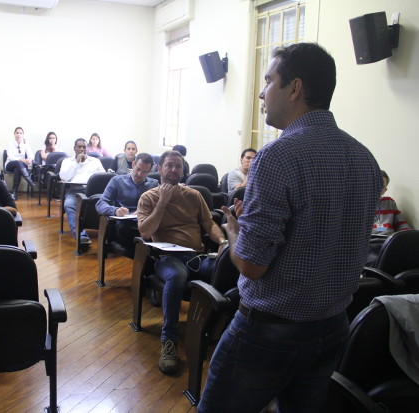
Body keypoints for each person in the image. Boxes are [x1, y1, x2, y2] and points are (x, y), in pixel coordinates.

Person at [197, 43, 381, 412]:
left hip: (269, 332)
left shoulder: (277, 155)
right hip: (332, 326)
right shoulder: (365, 158)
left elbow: (251, 265)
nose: (263, 93)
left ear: (295, 88)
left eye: (269, 81)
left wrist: (235, 231)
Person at [137, 150, 227, 376]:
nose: (173, 170)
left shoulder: (193, 196)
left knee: (226, 268)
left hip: (197, 257)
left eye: (178, 166)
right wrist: (163, 203)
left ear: (183, 170)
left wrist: (223, 241)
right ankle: (169, 342)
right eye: (169, 165)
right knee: (177, 276)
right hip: (167, 259)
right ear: (160, 169)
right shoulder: (148, 197)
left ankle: (216, 330)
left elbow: (209, 224)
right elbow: (146, 232)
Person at [95, 153, 158, 257]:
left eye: (144, 172)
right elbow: (100, 204)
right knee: (125, 229)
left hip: (145, 222)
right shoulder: (117, 181)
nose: (139, 174)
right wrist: (115, 210)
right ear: (133, 164)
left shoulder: (154, 184)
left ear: (150, 171)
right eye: (138, 169)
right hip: (125, 223)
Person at [59, 138, 105, 245]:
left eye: (84, 147)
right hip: (75, 191)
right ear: (74, 148)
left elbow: (102, 176)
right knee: (68, 204)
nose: (82, 149)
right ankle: (81, 236)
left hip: (92, 191)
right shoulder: (67, 161)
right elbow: (64, 177)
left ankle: (108, 234)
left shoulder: (95, 161)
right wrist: (76, 163)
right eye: (79, 147)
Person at [372, 170, 411, 235]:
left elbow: (401, 224)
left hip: (388, 241)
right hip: (369, 241)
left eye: (382, 186)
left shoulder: (389, 202)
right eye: (376, 184)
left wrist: (408, 235)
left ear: (385, 190)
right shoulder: (359, 203)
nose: (378, 188)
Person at [5, 126, 36, 199]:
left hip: (20, 166)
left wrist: (29, 159)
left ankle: (14, 193)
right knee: (17, 163)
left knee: (17, 169)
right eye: (17, 133)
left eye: (20, 133)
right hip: (10, 164)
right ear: (14, 134)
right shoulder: (10, 143)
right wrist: (21, 159)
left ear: (23, 134)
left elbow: (31, 155)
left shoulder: (25, 143)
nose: (19, 135)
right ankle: (30, 181)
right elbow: (10, 157)